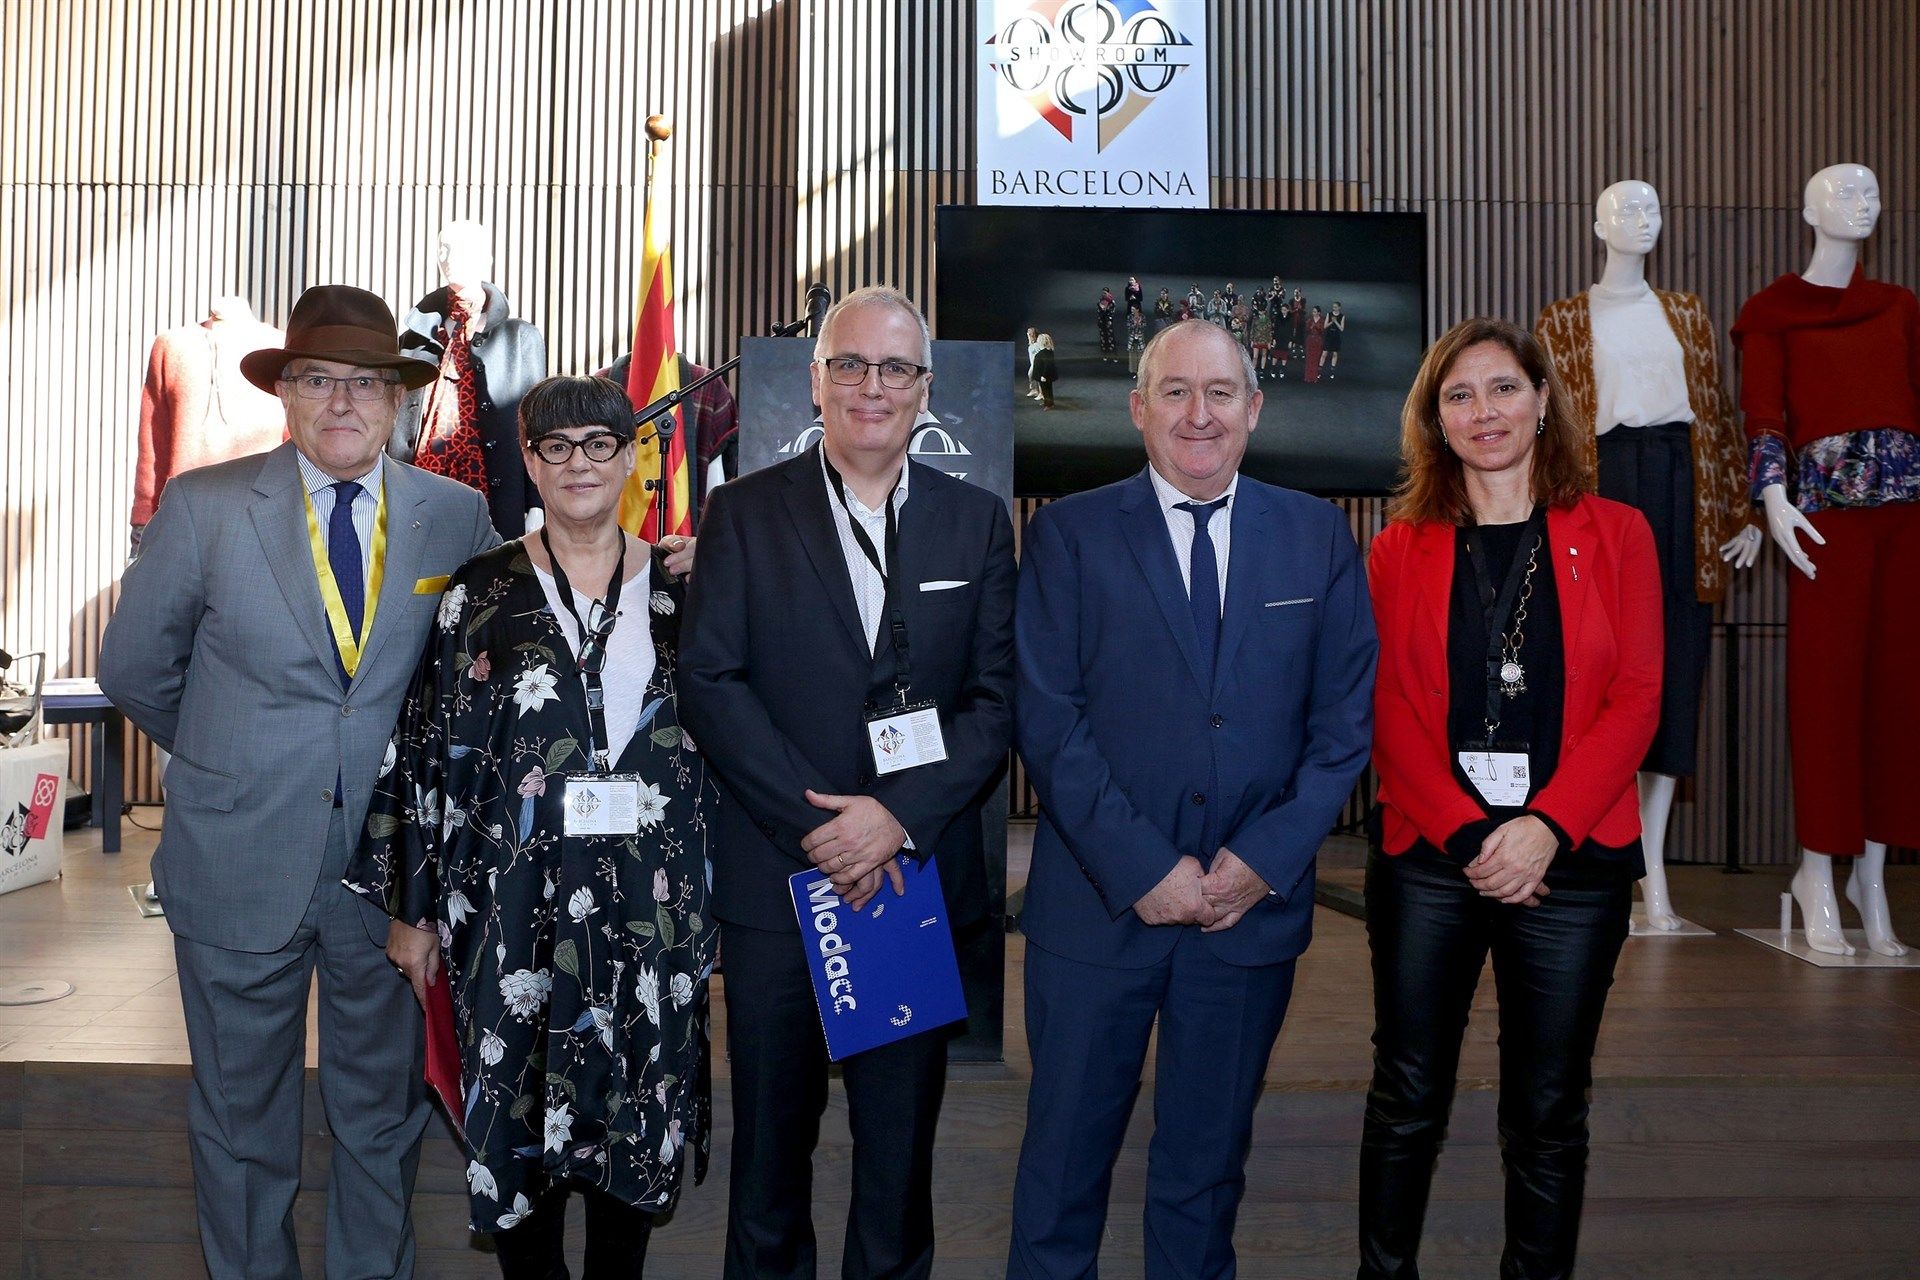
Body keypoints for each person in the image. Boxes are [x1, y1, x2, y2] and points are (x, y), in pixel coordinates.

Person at [98, 285, 500, 1280]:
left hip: (392, 881)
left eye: (366, 383)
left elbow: (487, 675)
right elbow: (134, 667)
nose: (343, 401)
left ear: (399, 398)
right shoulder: (205, 508)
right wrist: (230, 756)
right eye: (319, 379)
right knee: (241, 1128)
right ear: (286, 393)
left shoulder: (457, 518)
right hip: (239, 858)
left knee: (380, 1119)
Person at [1007, 319, 1377, 1278]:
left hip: (1247, 919)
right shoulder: (1069, 533)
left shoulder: (1316, 535)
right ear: (1138, 409)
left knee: (1206, 1174)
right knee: (1062, 1170)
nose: (1197, 413)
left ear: (1254, 410)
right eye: (1174, 391)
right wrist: (1145, 869)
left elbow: (1343, 730)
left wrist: (1261, 864)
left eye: (1219, 393)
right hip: (1096, 912)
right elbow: (1048, 722)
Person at [678, 285, 1017, 1280]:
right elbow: (710, 680)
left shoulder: (975, 521)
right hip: (782, 883)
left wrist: (894, 822)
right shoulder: (741, 511)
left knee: (897, 1154)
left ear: (925, 389)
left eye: (897, 369)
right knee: (772, 1151)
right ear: (816, 381)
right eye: (852, 365)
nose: (875, 386)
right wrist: (822, 828)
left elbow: (995, 704)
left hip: (907, 882)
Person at [346, 375, 713, 1277]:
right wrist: (413, 909)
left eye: (599, 444)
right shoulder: (480, 592)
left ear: (631, 459)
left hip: (648, 917)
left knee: (633, 1138)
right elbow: (427, 750)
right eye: (556, 446)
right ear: (531, 463)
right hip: (509, 919)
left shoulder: (682, 594)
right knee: (518, 1142)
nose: (579, 463)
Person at [1359, 317, 1662, 1280]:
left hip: (1571, 865)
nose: (1482, 411)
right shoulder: (1397, 549)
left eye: (1501, 389)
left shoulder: (1617, 534)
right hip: (1430, 861)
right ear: (1434, 421)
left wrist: (1544, 829)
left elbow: (1639, 697)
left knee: (1548, 1107)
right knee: (1407, 1094)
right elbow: (1386, 712)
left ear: (1541, 404)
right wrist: (1467, 836)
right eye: (1458, 395)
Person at [388, 219, 550, 537]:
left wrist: (537, 503)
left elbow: (539, 426)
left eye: (459, 248)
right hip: (420, 486)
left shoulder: (520, 338)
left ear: (484, 258)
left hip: (495, 492)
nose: (448, 257)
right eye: (442, 248)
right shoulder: (414, 337)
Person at [1322, 300, 1346, 379]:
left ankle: (1332, 370)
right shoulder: (1329, 314)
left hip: (1336, 336)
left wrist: (1335, 321)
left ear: (1339, 308)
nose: (1334, 308)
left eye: (1336, 307)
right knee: (1324, 353)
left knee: (1335, 354)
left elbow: (1341, 329)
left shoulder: (1342, 316)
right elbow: (1325, 326)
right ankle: (1319, 369)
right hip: (1329, 335)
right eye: (1333, 307)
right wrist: (1331, 322)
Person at [1033, 332, 1058, 409]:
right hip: (1044, 375)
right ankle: (1048, 403)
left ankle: (1049, 404)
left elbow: (1047, 365)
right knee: (1046, 390)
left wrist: (1043, 375)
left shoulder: (1045, 353)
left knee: (1046, 390)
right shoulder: (1048, 352)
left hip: (1044, 375)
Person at [1098, 287, 1119, 362]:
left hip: (1108, 321)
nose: (1104, 294)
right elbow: (1099, 311)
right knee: (1104, 339)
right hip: (1102, 321)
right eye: (1103, 292)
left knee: (1110, 338)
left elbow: (1112, 311)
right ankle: (1105, 355)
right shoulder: (1100, 300)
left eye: (1105, 292)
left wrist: (1107, 313)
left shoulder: (1111, 301)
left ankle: (1114, 355)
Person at [1025, 325, 1043, 400]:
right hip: (1033, 363)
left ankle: (1042, 393)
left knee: (1038, 377)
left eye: (1030, 334)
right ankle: (1034, 390)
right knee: (1031, 375)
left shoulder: (1038, 344)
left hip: (1038, 363)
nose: (1028, 335)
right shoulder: (1031, 345)